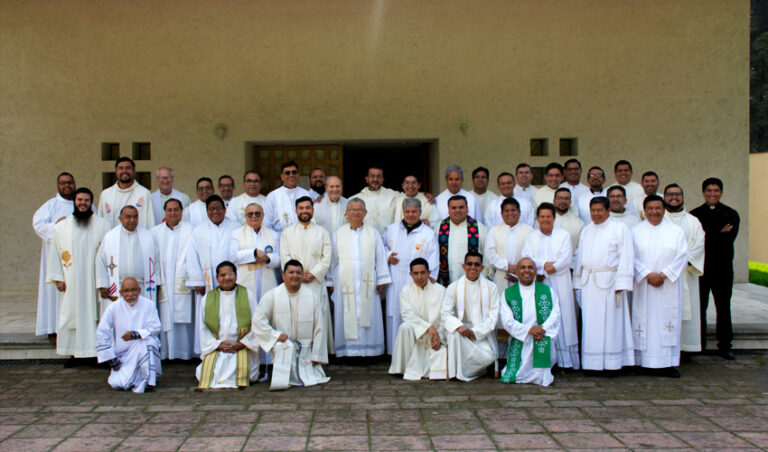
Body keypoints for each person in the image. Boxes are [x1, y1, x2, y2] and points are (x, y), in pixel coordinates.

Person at [242, 260, 330, 390]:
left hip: (306, 350)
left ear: (303, 276)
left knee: (311, 374)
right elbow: (258, 321)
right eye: (291, 272)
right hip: (283, 347)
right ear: (283, 275)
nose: (295, 276)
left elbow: (320, 328)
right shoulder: (272, 296)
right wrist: (275, 335)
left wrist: (317, 355)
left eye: (298, 273)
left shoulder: (312, 297)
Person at [47, 187, 111, 360]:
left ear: (91, 203)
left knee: (95, 317)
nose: (83, 203)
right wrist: (58, 278)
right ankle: (74, 354)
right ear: (74, 202)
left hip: (93, 281)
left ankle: (97, 353)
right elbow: (54, 254)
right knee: (71, 316)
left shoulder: (104, 226)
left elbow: (108, 254)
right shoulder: (61, 227)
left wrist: (106, 281)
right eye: (79, 200)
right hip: (71, 281)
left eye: (86, 200)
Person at [572, 197, 634, 374]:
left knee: (611, 324)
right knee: (590, 324)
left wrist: (622, 283)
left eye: (600, 210)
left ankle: (611, 364)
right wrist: (578, 282)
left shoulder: (619, 229)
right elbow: (580, 258)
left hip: (610, 282)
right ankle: (592, 364)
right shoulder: (587, 230)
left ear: (608, 211)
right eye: (593, 210)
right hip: (590, 282)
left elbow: (626, 256)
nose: (596, 214)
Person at [328, 198, 392, 357]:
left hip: (368, 281)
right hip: (344, 282)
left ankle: (369, 350)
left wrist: (382, 278)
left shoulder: (373, 233)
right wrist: (330, 280)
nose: (356, 213)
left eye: (359, 210)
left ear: (365, 213)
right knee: (345, 313)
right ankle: (347, 351)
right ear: (347, 213)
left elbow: (380, 257)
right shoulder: (338, 234)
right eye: (352, 210)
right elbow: (332, 260)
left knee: (368, 314)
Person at [631, 195, 688, 377]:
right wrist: (647, 274)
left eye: (658, 208)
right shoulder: (635, 231)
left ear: (664, 209)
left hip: (667, 286)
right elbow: (631, 257)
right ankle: (643, 362)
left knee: (667, 322)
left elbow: (682, 256)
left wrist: (663, 275)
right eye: (650, 208)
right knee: (643, 322)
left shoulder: (676, 231)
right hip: (644, 285)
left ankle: (667, 363)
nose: (654, 212)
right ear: (644, 210)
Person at [522, 203, 578, 369]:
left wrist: (548, 268)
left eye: (549, 216)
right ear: (537, 218)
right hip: (539, 282)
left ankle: (564, 361)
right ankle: (542, 358)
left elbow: (566, 258)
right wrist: (546, 264)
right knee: (541, 316)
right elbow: (527, 258)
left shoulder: (563, 235)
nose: (545, 219)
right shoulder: (532, 237)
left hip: (560, 282)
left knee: (563, 317)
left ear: (554, 218)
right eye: (542, 216)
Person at [690, 177, 740, 359]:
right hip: (702, 269)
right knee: (700, 308)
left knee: (723, 308)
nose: (712, 194)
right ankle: (699, 344)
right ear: (703, 193)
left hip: (723, 270)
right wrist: (718, 233)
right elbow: (696, 243)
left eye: (716, 190)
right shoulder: (694, 215)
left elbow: (727, 240)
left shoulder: (731, 214)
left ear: (721, 192)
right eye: (709, 191)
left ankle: (725, 345)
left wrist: (709, 236)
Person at [382, 197, 439, 354]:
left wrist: (431, 277)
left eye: (414, 211)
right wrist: (387, 256)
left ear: (420, 212)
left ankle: (415, 353)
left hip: (417, 282)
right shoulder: (392, 229)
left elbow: (434, 259)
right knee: (394, 315)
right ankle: (394, 353)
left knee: (415, 314)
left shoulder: (428, 234)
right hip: (395, 280)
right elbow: (382, 247)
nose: (411, 214)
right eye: (407, 211)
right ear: (403, 211)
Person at [279, 197, 333, 354]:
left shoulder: (322, 232)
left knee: (318, 317)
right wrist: (297, 275)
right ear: (296, 211)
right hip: (295, 283)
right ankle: (297, 352)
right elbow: (285, 256)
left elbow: (326, 256)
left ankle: (318, 354)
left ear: (312, 210)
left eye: (307, 208)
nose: (304, 211)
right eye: (301, 208)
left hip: (315, 282)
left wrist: (314, 274)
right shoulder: (287, 233)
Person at [186, 195, 238, 354]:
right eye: (211, 209)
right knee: (209, 314)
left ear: (224, 209)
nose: (215, 211)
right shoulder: (198, 231)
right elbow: (192, 256)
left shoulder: (236, 227)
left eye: (218, 208)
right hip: (208, 284)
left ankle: (231, 345)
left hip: (231, 280)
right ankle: (209, 349)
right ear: (207, 211)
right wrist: (197, 281)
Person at [195, 261, 260, 390]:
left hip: (241, 347)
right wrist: (218, 345)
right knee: (202, 372)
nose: (227, 278)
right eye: (223, 275)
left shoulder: (248, 295)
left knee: (250, 374)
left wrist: (242, 343)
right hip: (217, 348)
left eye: (230, 274)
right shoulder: (207, 298)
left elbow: (257, 324)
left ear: (236, 276)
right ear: (217, 278)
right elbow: (203, 328)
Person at [499, 257, 561, 386]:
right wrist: (528, 330)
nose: (527, 271)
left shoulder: (548, 291)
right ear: (516, 271)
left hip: (542, 337)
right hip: (520, 338)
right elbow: (507, 320)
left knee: (541, 372)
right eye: (523, 267)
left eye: (530, 267)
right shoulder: (507, 294)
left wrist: (542, 330)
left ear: (535, 271)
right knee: (515, 373)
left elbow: (555, 315)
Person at [95, 277, 162, 393]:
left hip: (144, 351)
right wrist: (112, 360)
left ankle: (148, 380)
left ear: (139, 290)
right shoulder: (113, 308)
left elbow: (156, 328)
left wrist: (135, 335)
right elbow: (101, 333)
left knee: (148, 342)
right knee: (117, 383)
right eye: (126, 291)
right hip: (122, 357)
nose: (130, 294)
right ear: (121, 293)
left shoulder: (149, 305)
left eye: (133, 290)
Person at [441, 251, 499, 381]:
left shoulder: (492, 288)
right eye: (469, 264)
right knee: (453, 333)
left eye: (476, 264)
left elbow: (493, 317)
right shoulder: (453, 287)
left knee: (487, 358)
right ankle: (458, 372)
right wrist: (459, 327)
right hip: (462, 335)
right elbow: (445, 313)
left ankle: (468, 368)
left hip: (482, 335)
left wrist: (476, 332)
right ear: (464, 266)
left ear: (482, 268)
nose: (473, 267)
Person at [33, 172, 76, 342]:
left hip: (77, 257)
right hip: (56, 257)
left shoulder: (81, 202)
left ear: (74, 183)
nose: (67, 186)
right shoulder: (51, 205)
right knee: (54, 294)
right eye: (63, 183)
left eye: (70, 182)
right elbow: (38, 224)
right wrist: (58, 227)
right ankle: (53, 328)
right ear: (58, 185)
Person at [663, 184, 705, 358]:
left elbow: (699, 245)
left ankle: (685, 348)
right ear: (664, 197)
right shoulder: (658, 218)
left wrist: (682, 263)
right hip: (664, 275)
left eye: (677, 194)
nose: (674, 197)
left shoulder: (692, 221)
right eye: (670, 194)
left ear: (683, 196)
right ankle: (666, 347)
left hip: (686, 274)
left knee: (688, 313)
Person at [388, 258, 448, 380]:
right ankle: (402, 367)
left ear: (429, 273)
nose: (419, 277)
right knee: (405, 327)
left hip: (436, 337)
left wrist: (438, 337)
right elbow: (408, 315)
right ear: (410, 274)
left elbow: (445, 318)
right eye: (415, 273)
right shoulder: (406, 291)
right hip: (416, 335)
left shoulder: (441, 291)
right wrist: (427, 328)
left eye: (422, 272)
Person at [152, 199, 196, 360]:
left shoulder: (190, 230)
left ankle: (184, 352)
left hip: (181, 283)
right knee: (164, 316)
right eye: (169, 210)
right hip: (164, 281)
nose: (172, 213)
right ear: (164, 212)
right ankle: (165, 352)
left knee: (183, 319)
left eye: (176, 210)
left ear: (181, 211)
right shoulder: (155, 232)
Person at [96, 206, 162, 304]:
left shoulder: (148, 237)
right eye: (128, 217)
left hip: (142, 289)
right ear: (120, 218)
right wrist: (103, 284)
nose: (132, 220)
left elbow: (156, 261)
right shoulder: (110, 237)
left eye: (135, 217)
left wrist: (157, 282)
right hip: (118, 287)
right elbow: (100, 261)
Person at [484, 198, 533, 294]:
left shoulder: (529, 230)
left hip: (523, 275)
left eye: (513, 210)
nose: (510, 213)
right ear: (501, 214)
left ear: (519, 212)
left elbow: (532, 253)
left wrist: (518, 270)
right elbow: (490, 255)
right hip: (501, 276)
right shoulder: (494, 231)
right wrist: (508, 266)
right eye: (506, 211)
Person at [437, 195, 487, 286]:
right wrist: (437, 267)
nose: (457, 210)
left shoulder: (479, 228)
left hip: (474, 283)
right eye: (454, 208)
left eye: (461, 207)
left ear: (467, 209)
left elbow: (487, 255)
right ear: (448, 210)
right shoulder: (439, 227)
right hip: (446, 281)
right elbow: (433, 253)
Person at [98, 157, 154, 229]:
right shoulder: (106, 194)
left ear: (133, 171)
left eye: (128, 168)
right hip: (113, 239)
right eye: (121, 168)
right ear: (116, 171)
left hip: (137, 239)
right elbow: (100, 222)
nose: (124, 171)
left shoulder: (144, 193)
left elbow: (150, 221)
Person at [265, 161, 310, 233]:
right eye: (287, 173)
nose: (291, 175)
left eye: (294, 172)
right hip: (280, 239)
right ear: (282, 176)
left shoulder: (306, 194)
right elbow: (267, 223)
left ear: (298, 175)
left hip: (304, 237)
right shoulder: (272, 196)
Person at [354, 166, 399, 234]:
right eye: (372, 176)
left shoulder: (393, 196)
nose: (375, 179)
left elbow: (409, 197)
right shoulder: (355, 199)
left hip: (387, 242)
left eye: (379, 176)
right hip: (365, 242)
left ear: (383, 179)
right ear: (367, 179)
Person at [552, 187, 584, 256]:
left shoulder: (579, 223)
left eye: (566, 199)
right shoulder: (545, 220)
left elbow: (580, 248)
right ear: (554, 201)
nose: (563, 201)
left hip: (570, 264)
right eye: (559, 198)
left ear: (570, 202)